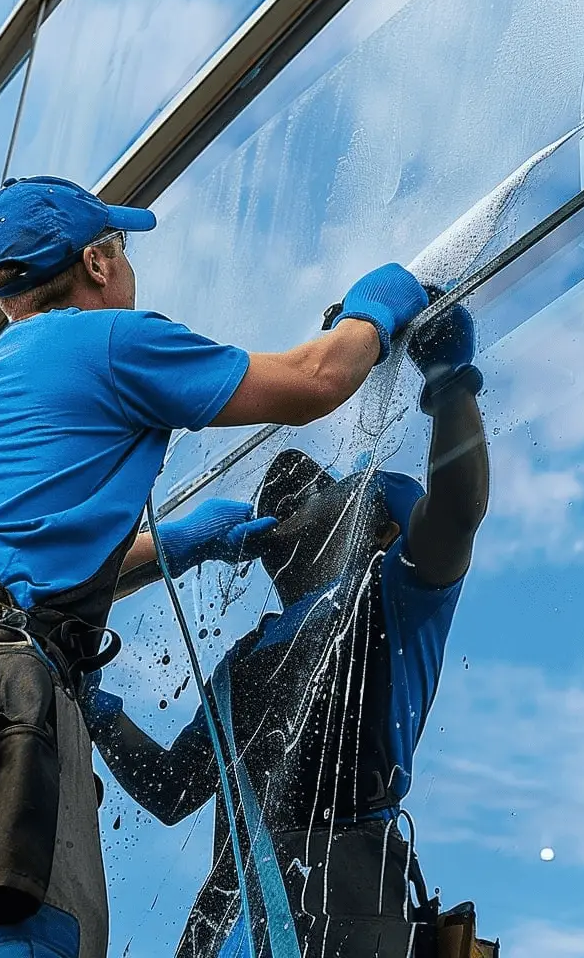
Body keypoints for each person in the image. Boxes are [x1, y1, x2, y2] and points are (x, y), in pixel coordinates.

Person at [0, 174, 428, 958]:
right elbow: (315, 380)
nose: (127, 267)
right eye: (121, 250)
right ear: (97, 262)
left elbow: (0, 561)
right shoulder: (106, 341)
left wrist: (179, 543)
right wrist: (377, 309)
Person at [83, 296, 489, 958]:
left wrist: (449, 386)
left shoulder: (388, 594)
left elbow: (455, 513)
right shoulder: (244, 659)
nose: (290, 475)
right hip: (234, 925)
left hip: (346, 911)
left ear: (375, 524)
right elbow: (173, 787)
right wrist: (93, 706)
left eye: (321, 484)